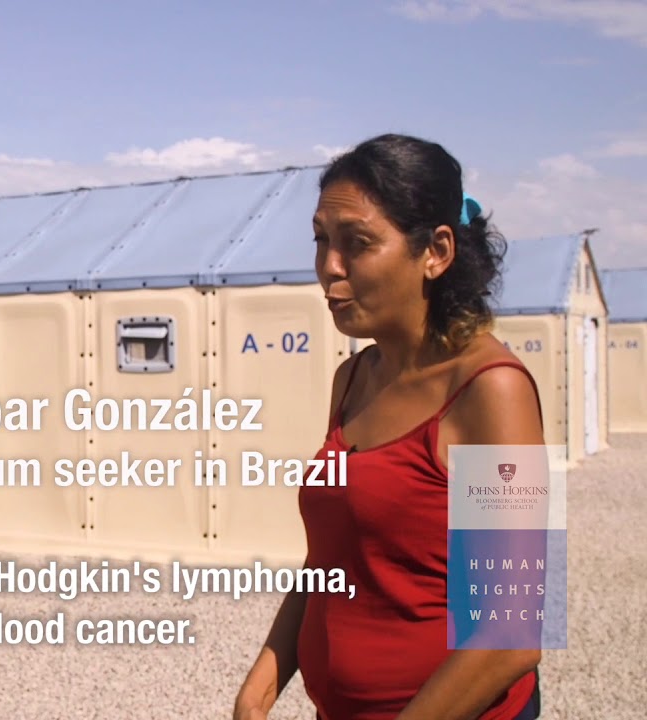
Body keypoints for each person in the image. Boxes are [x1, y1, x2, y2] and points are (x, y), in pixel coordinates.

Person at [232, 134, 545, 720]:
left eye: (358, 243)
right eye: (322, 240)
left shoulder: (489, 390)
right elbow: (333, 557)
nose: (329, 266)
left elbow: (510, 632)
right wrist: (260, 687)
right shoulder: (352, 380)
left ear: (436, 252)